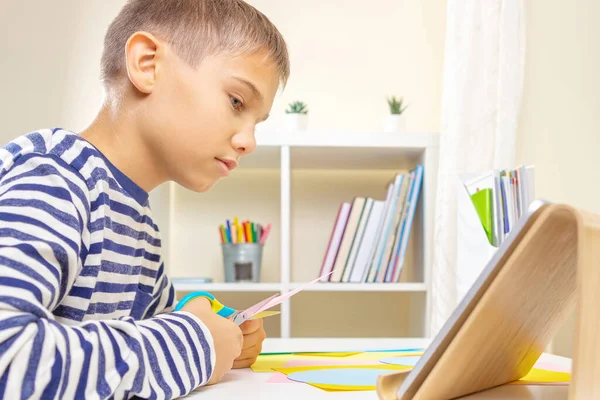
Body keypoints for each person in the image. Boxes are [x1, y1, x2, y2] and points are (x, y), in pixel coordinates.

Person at [0, 0, 289, 398]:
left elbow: (157, 322)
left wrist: (222, 329)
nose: (249, 142)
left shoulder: (137, 225)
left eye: (256, 123)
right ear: (147, 64)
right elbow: (8, 358)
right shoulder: (53, 179)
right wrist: (198, 345)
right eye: (237, 102)